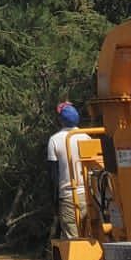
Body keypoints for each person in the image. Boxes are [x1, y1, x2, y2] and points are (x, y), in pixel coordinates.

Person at [48, 101, 85, 240]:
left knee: (72, 240)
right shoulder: (86, 136)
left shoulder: (54, 140)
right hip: (88, 196)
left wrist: (54, 203)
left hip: (68, 197)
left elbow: (53, 175)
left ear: (60, 120)